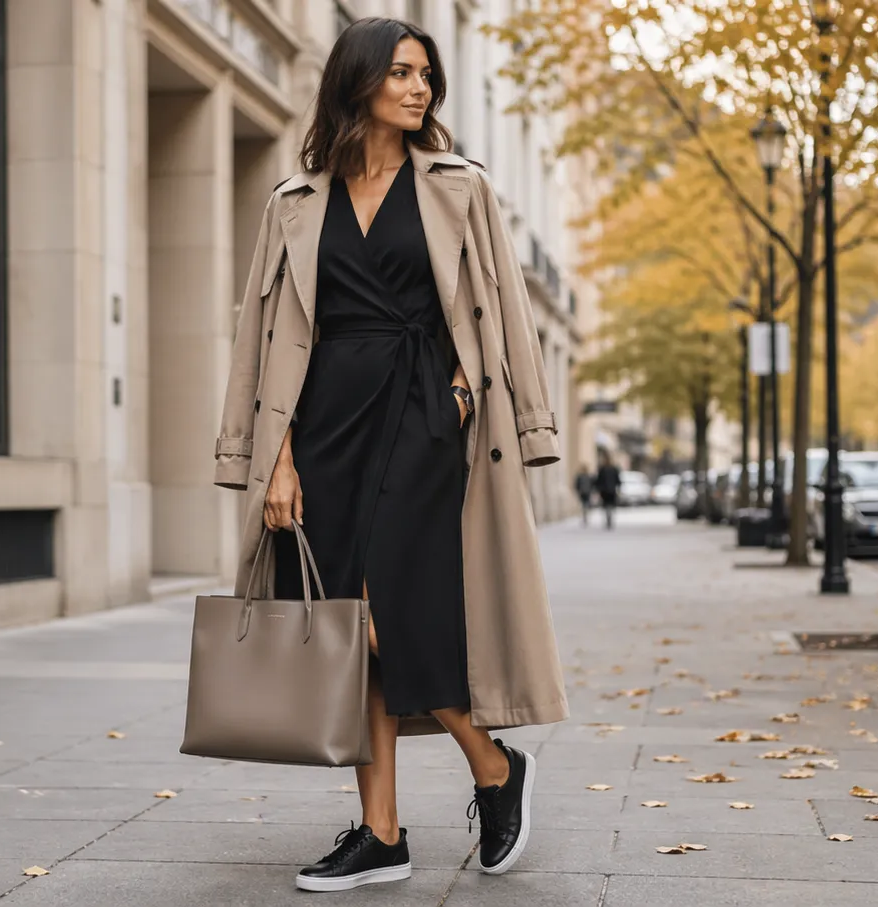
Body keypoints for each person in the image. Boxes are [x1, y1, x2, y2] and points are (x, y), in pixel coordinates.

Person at [211, 16, 569, 893]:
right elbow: (267, 338)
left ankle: (491, 762)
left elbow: (498, 309)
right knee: (349, 626)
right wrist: (276, 459)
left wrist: (474, 401)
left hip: (422, 414)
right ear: (359, 80)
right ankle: (384, 830)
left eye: (427, 76)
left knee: (387, 603)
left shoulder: (459, 186)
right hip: (326, 423)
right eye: (403, 73)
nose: (419, 89)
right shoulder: (295, 200)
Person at [594, 456, 621, 531]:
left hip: (605, 491)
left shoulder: (603, 469)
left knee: (607, 505)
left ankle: (608, 518)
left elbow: (598, 480)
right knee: (610, 505)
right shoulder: (613, 469)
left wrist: (598, 488)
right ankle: (609, 518)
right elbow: (618, 480)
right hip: (610, 490)